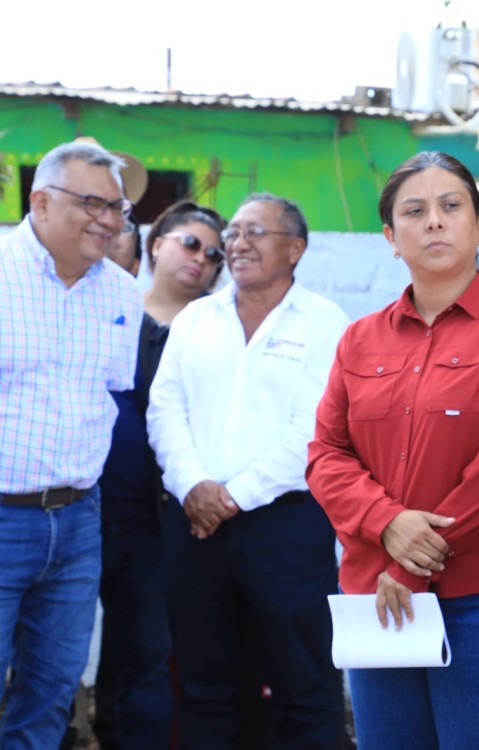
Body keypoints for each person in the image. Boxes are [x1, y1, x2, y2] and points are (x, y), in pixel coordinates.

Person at [306, 151, 479, 749]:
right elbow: (326, 454)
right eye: (415, 211)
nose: (434, 222)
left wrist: (410, 561)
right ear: (389, 237)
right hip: (381, 602)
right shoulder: (360, 337)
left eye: (451, 207)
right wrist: (386, 521)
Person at [147, 193, 349, 748]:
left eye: (255, 232)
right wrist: (192, 486)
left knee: (303, 685)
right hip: (195, 528)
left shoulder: (325, 322)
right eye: (232, 233)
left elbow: (314, 426)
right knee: (203, 685)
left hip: (285, 527)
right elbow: (166, 407)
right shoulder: (196, 318)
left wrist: (231, 496)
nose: (236, 243)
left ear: (295, 249)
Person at [0, 141, 142, 749]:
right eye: (92, 203)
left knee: (52, 691)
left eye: (118, 208)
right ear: (40, 200)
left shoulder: (121, 293)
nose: (108, 221)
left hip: (79, 521)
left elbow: (110, 397)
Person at [94, 200, 227, 750]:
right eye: (191, 243)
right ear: (156, 245)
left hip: (156, 526)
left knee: (145, 654)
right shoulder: (105, 309)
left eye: (215, 254)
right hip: (77, 513)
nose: (203, 259)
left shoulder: (213, 335)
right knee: (50, 655)